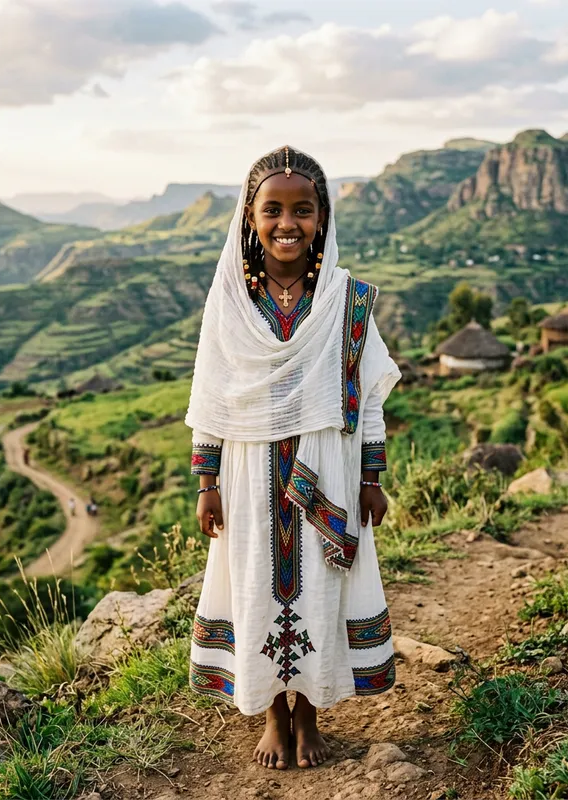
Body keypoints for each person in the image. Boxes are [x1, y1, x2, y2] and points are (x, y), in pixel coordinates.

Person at [185, 146, 401, 771]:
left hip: (327, 468)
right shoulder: (230, 301)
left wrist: (370, 478)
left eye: (302, 210)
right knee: (257, 585)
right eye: (272, 209)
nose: (288, 223)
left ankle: (307, 712)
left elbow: (365, 397)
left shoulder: (347, 301)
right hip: (249, 470)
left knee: (318, 589)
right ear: (250, 218)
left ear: (322, 218)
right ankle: (273, 715)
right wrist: (207, 483)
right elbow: (210, 395)